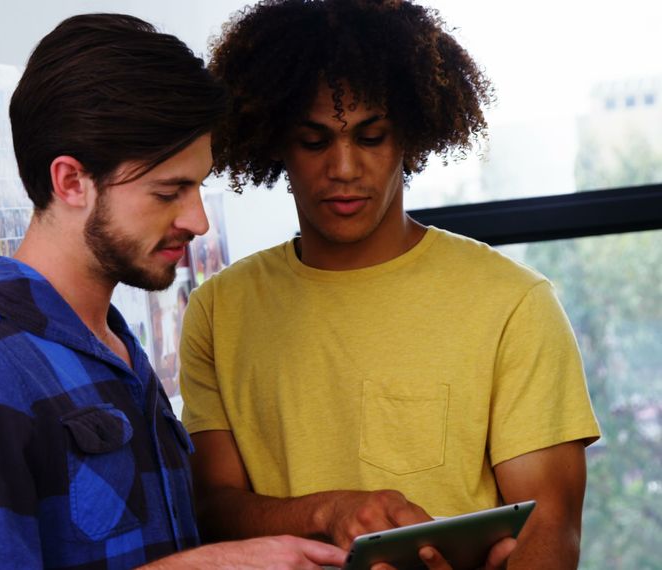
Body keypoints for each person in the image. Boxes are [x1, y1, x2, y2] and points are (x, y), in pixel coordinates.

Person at [0, 13, 345, 570]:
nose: (197, 220)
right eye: (169, 191)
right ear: (71, 181)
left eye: (197, 186)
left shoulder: (113, 348)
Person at [179, 2, 601, 569]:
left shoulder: (512, 304)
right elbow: (212, 507)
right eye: (314, 141)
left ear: (412, 136)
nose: (345, 167)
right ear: (275, 142)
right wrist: (328, 512)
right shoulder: (218, 311)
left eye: (372, 137)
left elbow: (551, 526)